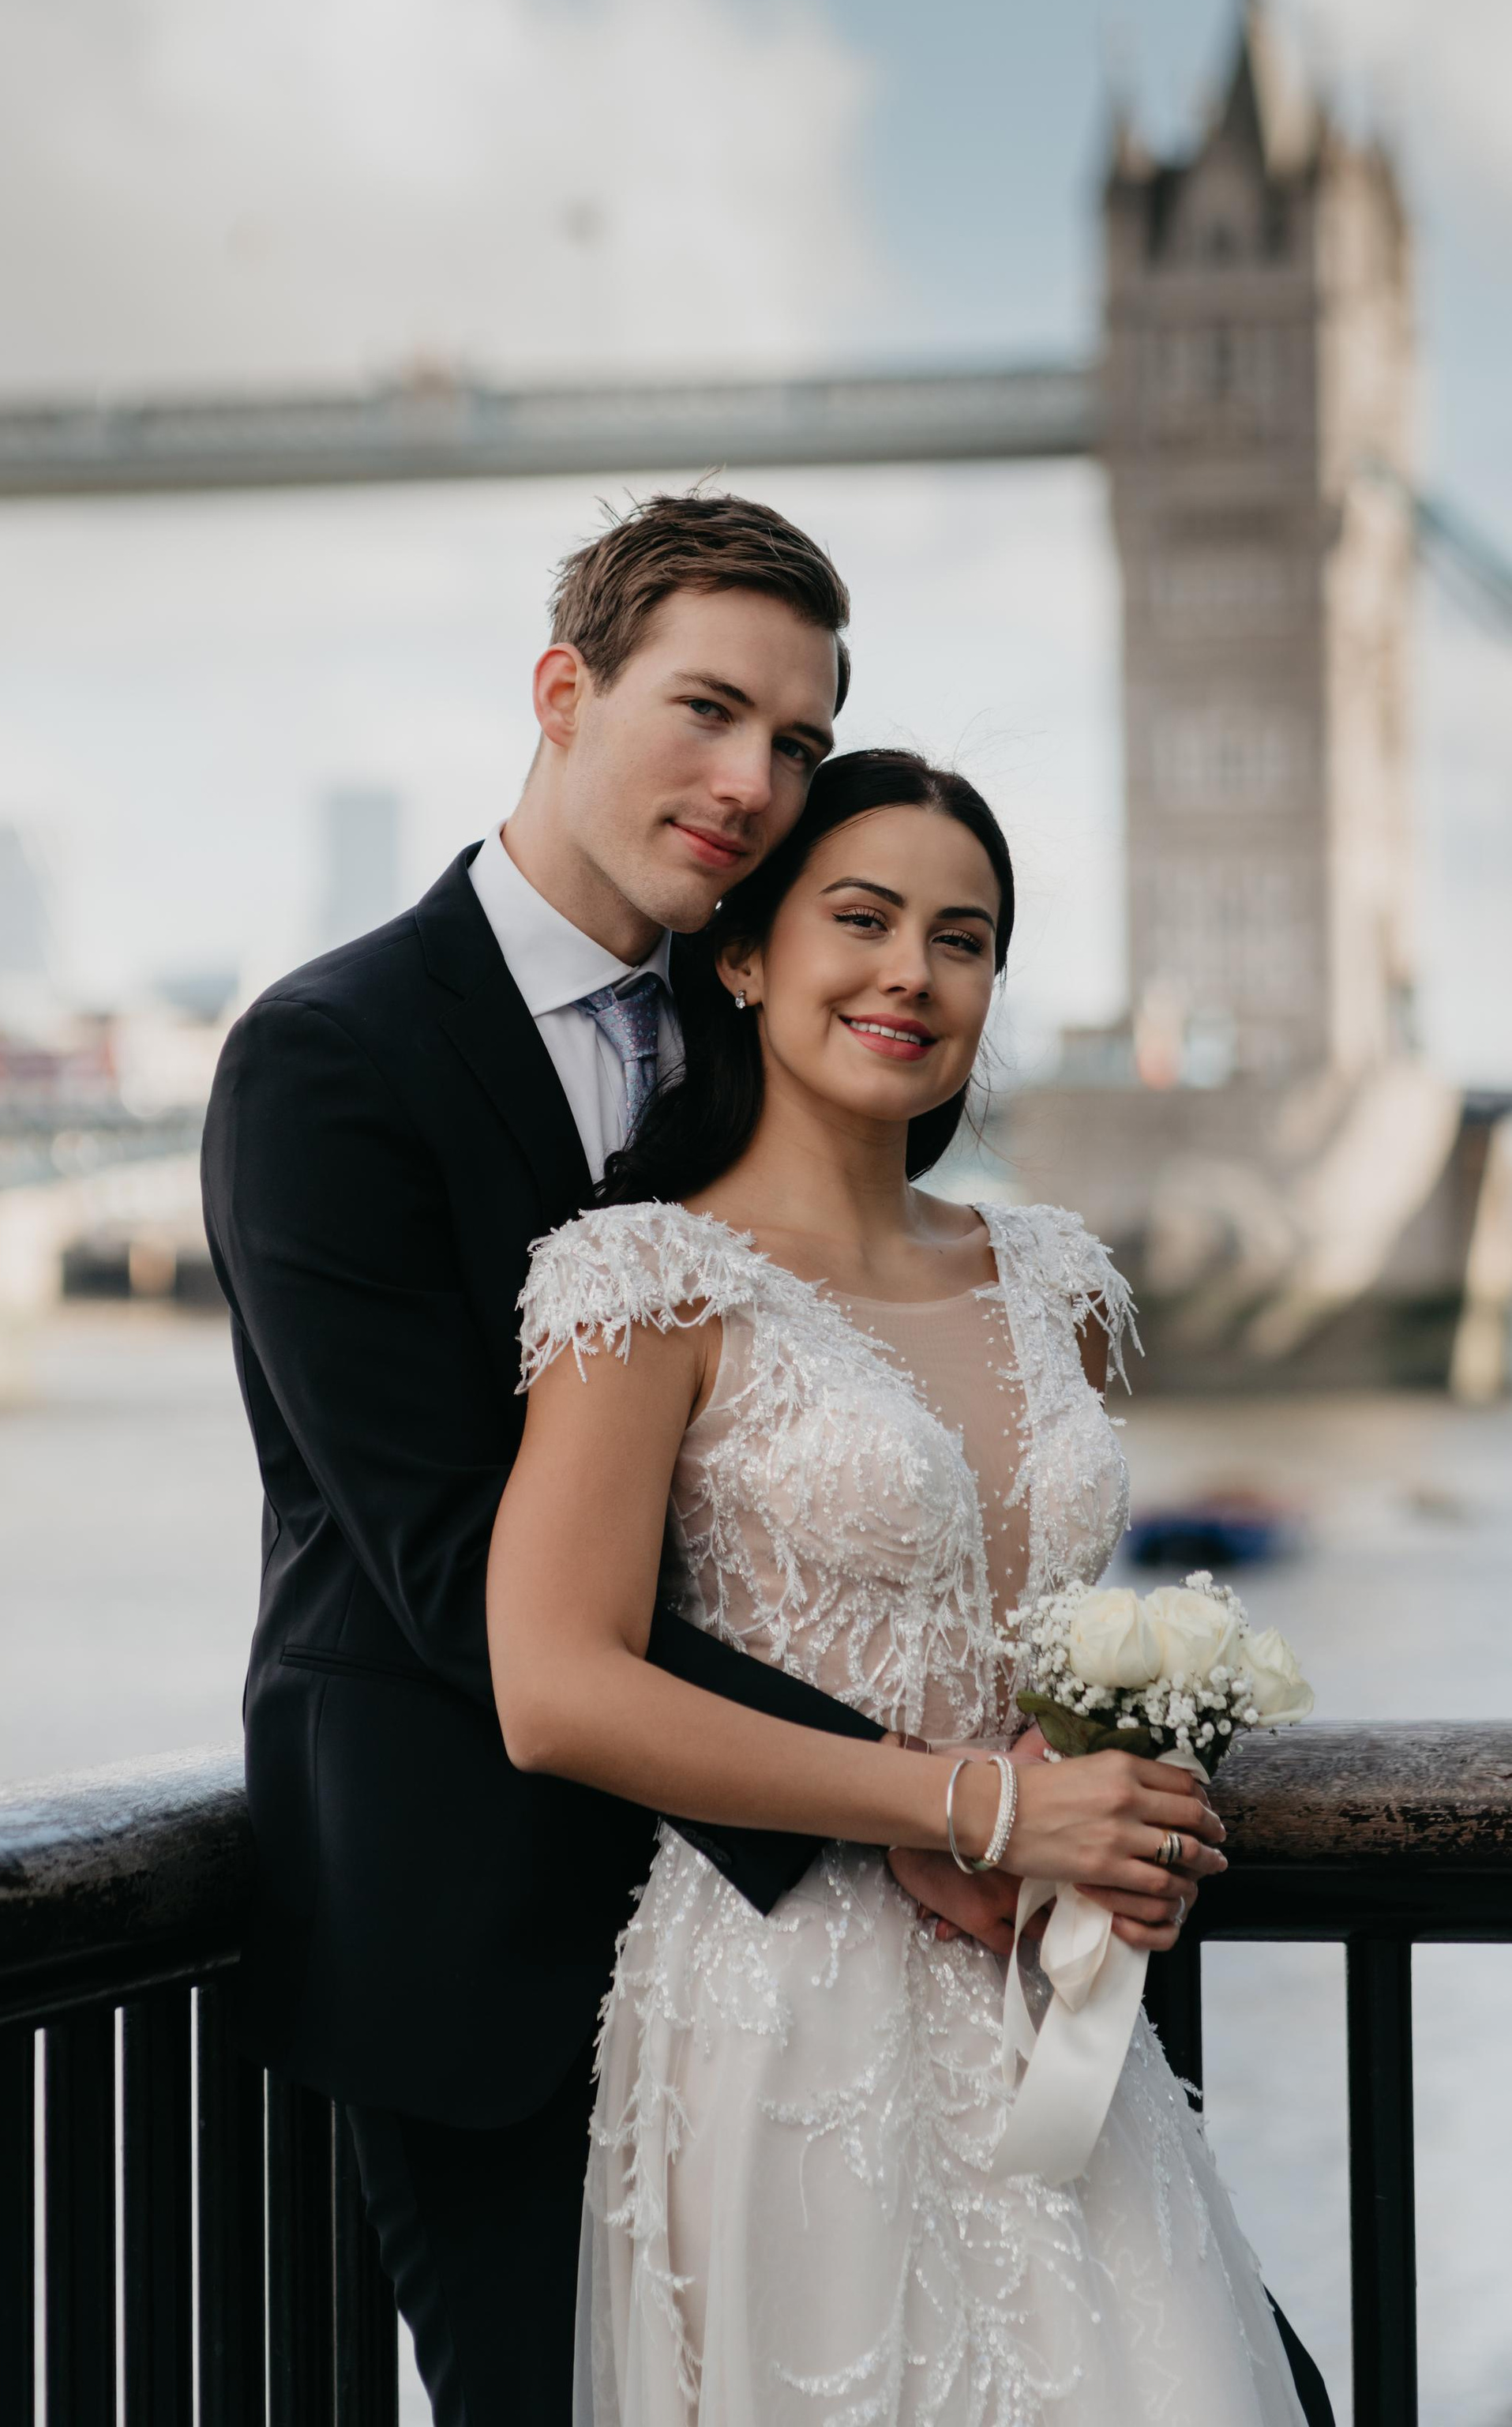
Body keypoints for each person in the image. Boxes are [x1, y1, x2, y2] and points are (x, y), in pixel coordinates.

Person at [204, 494, 1003, 2427]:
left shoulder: (767, 1033)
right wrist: (917, 1789)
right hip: (483, 1937)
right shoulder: (329, 1058)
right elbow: (449, 1557)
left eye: (796, 741)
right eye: (707, 709)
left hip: (810, 1970)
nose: (751, 782)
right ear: (561, 690)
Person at [487, 747, 1321, 2425]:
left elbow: (1039, 1639)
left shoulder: (1053, 1276)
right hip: (785, 2002)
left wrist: (1111, 1802)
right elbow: (553, 1685)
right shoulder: (640, 1275)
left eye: (962, 936)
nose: (909, 972)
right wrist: (983, 1812)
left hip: (1050, 1995)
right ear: (740, 954)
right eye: (857, 917)